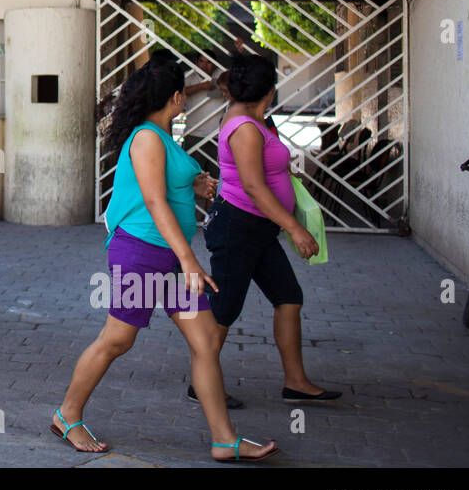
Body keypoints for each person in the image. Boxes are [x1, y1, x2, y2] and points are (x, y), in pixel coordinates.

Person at [52, 57, 279, 462]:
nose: (185, 98)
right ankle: (67, 415)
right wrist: (190, 259)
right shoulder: (146, 139)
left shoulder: (162, 138)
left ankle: (224, 440)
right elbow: (154, 202)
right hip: (141, 252)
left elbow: (168, 184)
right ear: (174, 97)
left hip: (169, 257)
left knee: (206, 340)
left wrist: (195, 183)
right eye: (183, 92)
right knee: (118, 340)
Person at [202, 53, 341, 402]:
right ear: (271, 89)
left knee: (288, 297)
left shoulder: (256, 119)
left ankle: (296, 382)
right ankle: (200, 383)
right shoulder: (245, 128)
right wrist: (295, 227)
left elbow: (272, 173)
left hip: (259, 229)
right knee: (224, 307)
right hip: (238, 226)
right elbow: (253, 186)